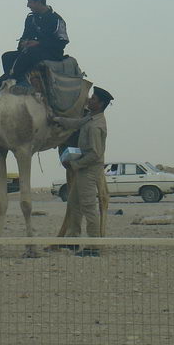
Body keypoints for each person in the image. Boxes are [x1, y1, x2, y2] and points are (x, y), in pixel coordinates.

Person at [57, 86, 113, 257]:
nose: (90, 100)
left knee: (89, 207)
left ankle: (93, 246)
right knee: (74, 203)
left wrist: (77, 165)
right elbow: (76, 123)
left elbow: (96, 154)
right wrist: (58, 119)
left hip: (88, 170)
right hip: (83, 169)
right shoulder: (90, 117)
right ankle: (73, 240)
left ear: (101, 104)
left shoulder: (96, 125)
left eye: (94, 99)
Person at [0, 0, 69, 93]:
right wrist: (23, 43)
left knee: (31, 52)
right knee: (7, 56)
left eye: (30, 2)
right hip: (30, 51)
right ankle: (13, 80)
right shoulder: (31, 19)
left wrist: (39, 43)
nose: (28, 5)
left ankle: (21, 82)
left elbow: (62, 41)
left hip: (51, 53)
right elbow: (25, 36)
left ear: (39, 2)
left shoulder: (56, 19)